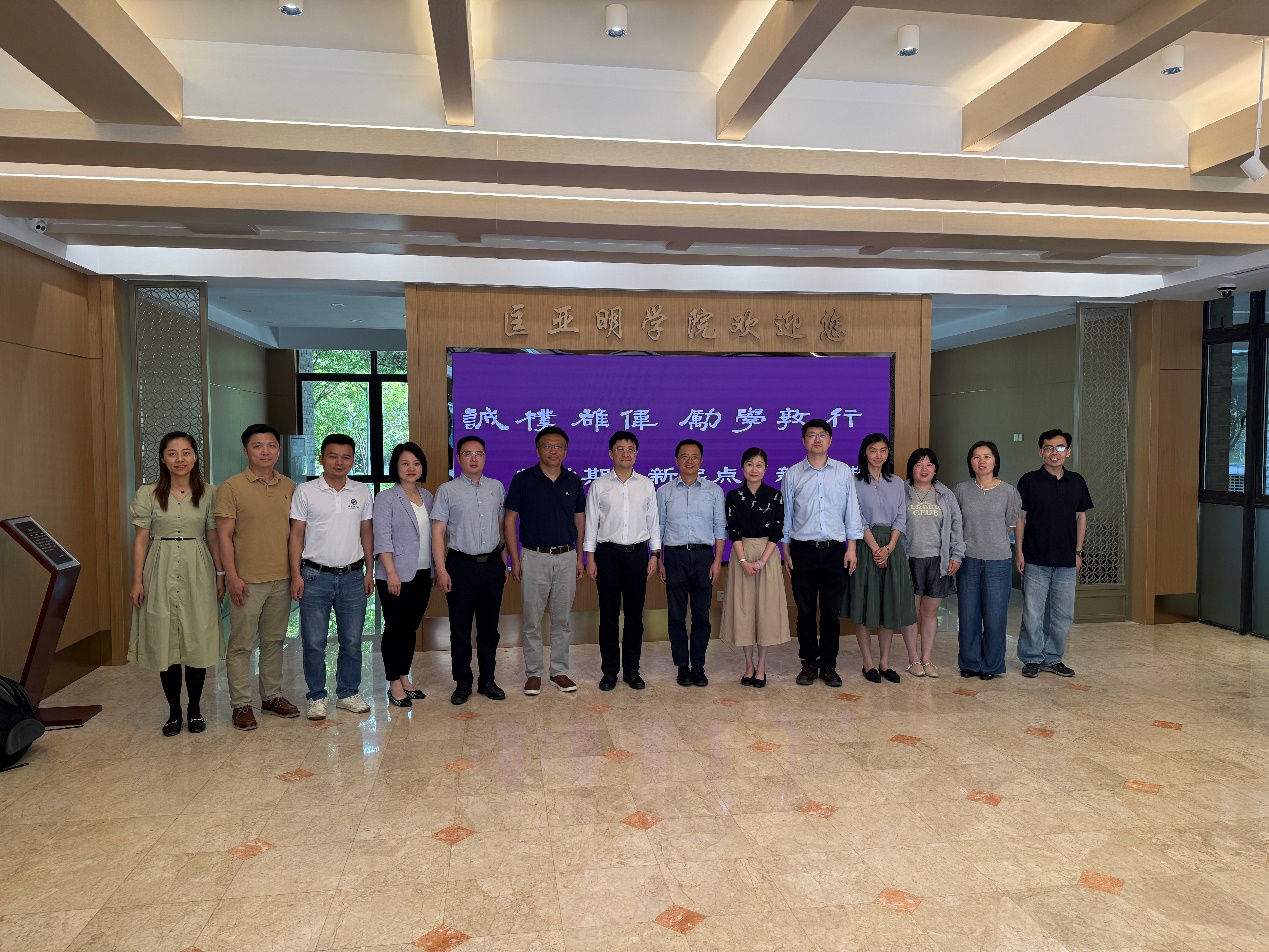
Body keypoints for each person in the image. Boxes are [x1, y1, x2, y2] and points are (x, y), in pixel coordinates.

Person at [129, 431, 225, 736]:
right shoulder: (148, 493)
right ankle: (173, 712)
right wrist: (137, 581)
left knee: (197, 639)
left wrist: (220, 575)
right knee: (165, 641)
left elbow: (213, 537)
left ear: (195, 457)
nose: (180, 459)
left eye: (186, 453)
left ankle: (195, 709)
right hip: (160, 567)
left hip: (199, 568)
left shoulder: (209, 493)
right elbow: (141, 540)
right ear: (162, 458)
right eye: (172, 453)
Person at [214, 423, 300, 731]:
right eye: (257, 446)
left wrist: (296, 574)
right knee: (240, 645)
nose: (265, 451)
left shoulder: (290, 486)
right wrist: (232, 576)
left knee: (274, 641)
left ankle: (271, 696)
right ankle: (240, 704)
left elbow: (296, 533)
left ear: (278, 449)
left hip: (282, 578)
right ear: (245, 451)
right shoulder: (231, 488)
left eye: (271, 445)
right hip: (247, 580)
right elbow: (224, 537)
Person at [288, 434, 375, 721]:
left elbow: (366, 532)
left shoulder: (361, 491)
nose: (339, 462)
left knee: (352, 640)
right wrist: (296, 574)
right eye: (333, 456)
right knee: (314, 643)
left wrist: (370, 571)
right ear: (322, 458)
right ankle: (317, 696)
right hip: (315, 576)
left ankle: (348, 693)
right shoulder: (305, 491)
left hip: (353, 576)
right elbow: (296, 534)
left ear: (353, 460)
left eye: (346, 457)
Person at [781, 419, 863, 688]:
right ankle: (808, 664)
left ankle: (828, 665)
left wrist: (852, 549)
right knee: (805, 612)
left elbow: (852, 512)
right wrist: (786, 551)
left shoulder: (843, 472)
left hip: (835, 551)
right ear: (803, 440)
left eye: (822, 435)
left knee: (830, 613)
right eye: (811, 435)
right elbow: (787, 516)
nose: (817, 440)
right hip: (802, 551)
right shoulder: (792, 474)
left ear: (830, 440)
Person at [505, 426, 585, 696]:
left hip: (566, 556)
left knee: (562, 619)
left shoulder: (573, 481)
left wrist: (580, 557)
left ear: (566, 451)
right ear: (538, 450)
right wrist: (514, 559)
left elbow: (580, 520)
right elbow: (509, 520)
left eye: (558, 446)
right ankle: (533, 673)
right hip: (533, 556)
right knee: (532, 620)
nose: (553, 451)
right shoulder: (523, 480)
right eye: (547, 446)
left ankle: (559, 671)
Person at [432, 435, 509, 705]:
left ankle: (487, 680)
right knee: (460, 628)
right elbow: (438, 532)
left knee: (489, 628)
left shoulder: (497, 487)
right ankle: (463, 682)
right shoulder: (447, 490)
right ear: (458, 458)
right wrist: (441, 569)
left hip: (492, 565)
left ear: (485, 457)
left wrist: (504, 563)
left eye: (479, 454)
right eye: (467, 454)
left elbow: (502, 528)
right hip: (460, 566)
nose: (473, 459)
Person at [584, 430, 661, 691]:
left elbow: (653, 522)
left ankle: (631, 670)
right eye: (620, 449)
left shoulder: (646, 484)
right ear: (610, 453)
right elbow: (591, 523)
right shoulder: (599, 485)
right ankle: (609, 672)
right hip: (607, 555)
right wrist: (590, 557)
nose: (625, 453)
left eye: (630, 449)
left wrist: (655, 555)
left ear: (636, 453)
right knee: (608, 617)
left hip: (638, 555)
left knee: (635, 617)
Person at [1016, 429, 1094, 679]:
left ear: (1068, 452)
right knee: (1033, 613)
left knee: (1062, 614)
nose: (1054, 453)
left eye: (1060, 448)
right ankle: (1032, 658)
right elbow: (1020, 518)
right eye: (1048, 448)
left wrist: (1078, 551)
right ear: (1041, 452)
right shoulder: (1029, 480)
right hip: (1035, 557)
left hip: (1066, 560)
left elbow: (1081, 517)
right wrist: (1019, 552)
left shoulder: (1077, 481)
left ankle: (1053, 658)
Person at [847, 433, 917, 685]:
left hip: (892, 547)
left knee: (888, 603)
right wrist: (877, 548)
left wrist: (889, 547)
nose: (878, 455)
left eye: (883, 450)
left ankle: (885, 662)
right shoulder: (854, 482)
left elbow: (901, 517)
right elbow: (856, 518)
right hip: (866, 546)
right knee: (865, 604)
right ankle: (868, 663)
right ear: (865, 453)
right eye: (873, 450)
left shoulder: (897, 482)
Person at [657, 439, 726, 687]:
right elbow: (659, 529)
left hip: (704, 557)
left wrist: (717, 561)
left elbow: (720, 528)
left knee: (701, 616)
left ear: (701, 461)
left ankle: (698, 666)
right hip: (674, 557)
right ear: (676, 461)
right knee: (676, 616)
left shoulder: (714, 491)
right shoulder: (664, 492)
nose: (689, 461)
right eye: (684, 456)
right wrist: (659, 560)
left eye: (694, 456)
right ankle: (681, 667)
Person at [373, 441, 436, 708]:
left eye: (416, 463)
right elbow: (382, 538)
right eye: (405, 463)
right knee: (395, 628)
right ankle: (393, 683)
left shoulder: (428, 496)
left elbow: (433, 537)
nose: (411, 468)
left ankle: (404, 677)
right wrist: (391, 572)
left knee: (410, 628)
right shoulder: (386, 498)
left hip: (423, 573)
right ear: (396, 467)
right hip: (395, 575)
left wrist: (435, 568)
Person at [719, 447, 789, 687]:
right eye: (750, 464)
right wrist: (743, 561)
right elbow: (733, 530)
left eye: (759, 465)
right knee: (744, 611)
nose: (754, 469)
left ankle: (761, 667)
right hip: (742, 554)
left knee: (765, 611)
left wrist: (761, 561)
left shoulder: (775, 495)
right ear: (742, 467)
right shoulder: (733, 496)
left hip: (767, 555)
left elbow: (777, 531)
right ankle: (748, 665)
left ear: (766, 469)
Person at [953, 441, 1022, 680]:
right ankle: (970, 662)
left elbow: (1010, 526)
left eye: (987, 456)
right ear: (970, 462)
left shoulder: (1008, 492)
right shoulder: (961, 490)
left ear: (995, 460)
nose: (981, 461)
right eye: (976, 457)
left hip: (997, 562)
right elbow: (956, 525)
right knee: (968, 615)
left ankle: (992, 665)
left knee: (995, 617)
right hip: (968, 560)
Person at [900, 447, 964, 679]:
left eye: (929, 464)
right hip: (909, 559)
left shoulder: (945, 494)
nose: (924, 469)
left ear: (935, 468)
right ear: (911, 469)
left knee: (930, 611)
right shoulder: (902, 491)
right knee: (911, 611)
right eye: (918, 464)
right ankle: (913, 659)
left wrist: (956, 555)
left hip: (938, 560)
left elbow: (956, 525)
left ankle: (927, 659)